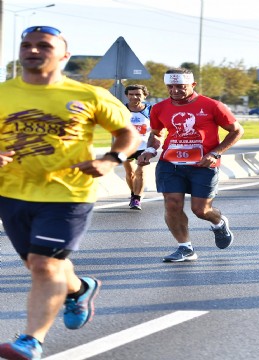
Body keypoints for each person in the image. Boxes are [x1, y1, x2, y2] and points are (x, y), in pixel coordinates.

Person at [0, 26, 140, 360]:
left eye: (44, 45)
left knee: (44, 265)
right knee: (39, 266)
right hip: (12, 192)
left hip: (68, 193)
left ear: (64, 55)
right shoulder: (3, 93)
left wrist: (112, 159)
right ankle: (79, 289)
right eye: (27, 45)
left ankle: (31, 340)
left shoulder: (89, 95)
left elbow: (127, 133)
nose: (33, 50)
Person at [137, 68, 244, 263]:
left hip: (203, 165)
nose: (175, 90)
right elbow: (157, 133)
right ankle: (185, 248)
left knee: (200, 210)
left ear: (192, 85)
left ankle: (219, 222)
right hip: (170, 164)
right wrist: (150, 151)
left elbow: (236, 131)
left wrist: (215, 153)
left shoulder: (212, 105)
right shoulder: (160, 108)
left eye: (180, 86)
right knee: (172, 204)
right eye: (171, 86)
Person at [124, 84, 152, 210]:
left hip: (144, 147)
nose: (134, 97)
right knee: (130, 173)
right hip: (126, 146)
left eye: (138, 94)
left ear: (144, 96)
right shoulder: (121, 110)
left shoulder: (150, 110)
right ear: (126, 95)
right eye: (131, 94)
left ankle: (137, 199)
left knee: (140, 171)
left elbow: (159, 129)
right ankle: (133, 194)